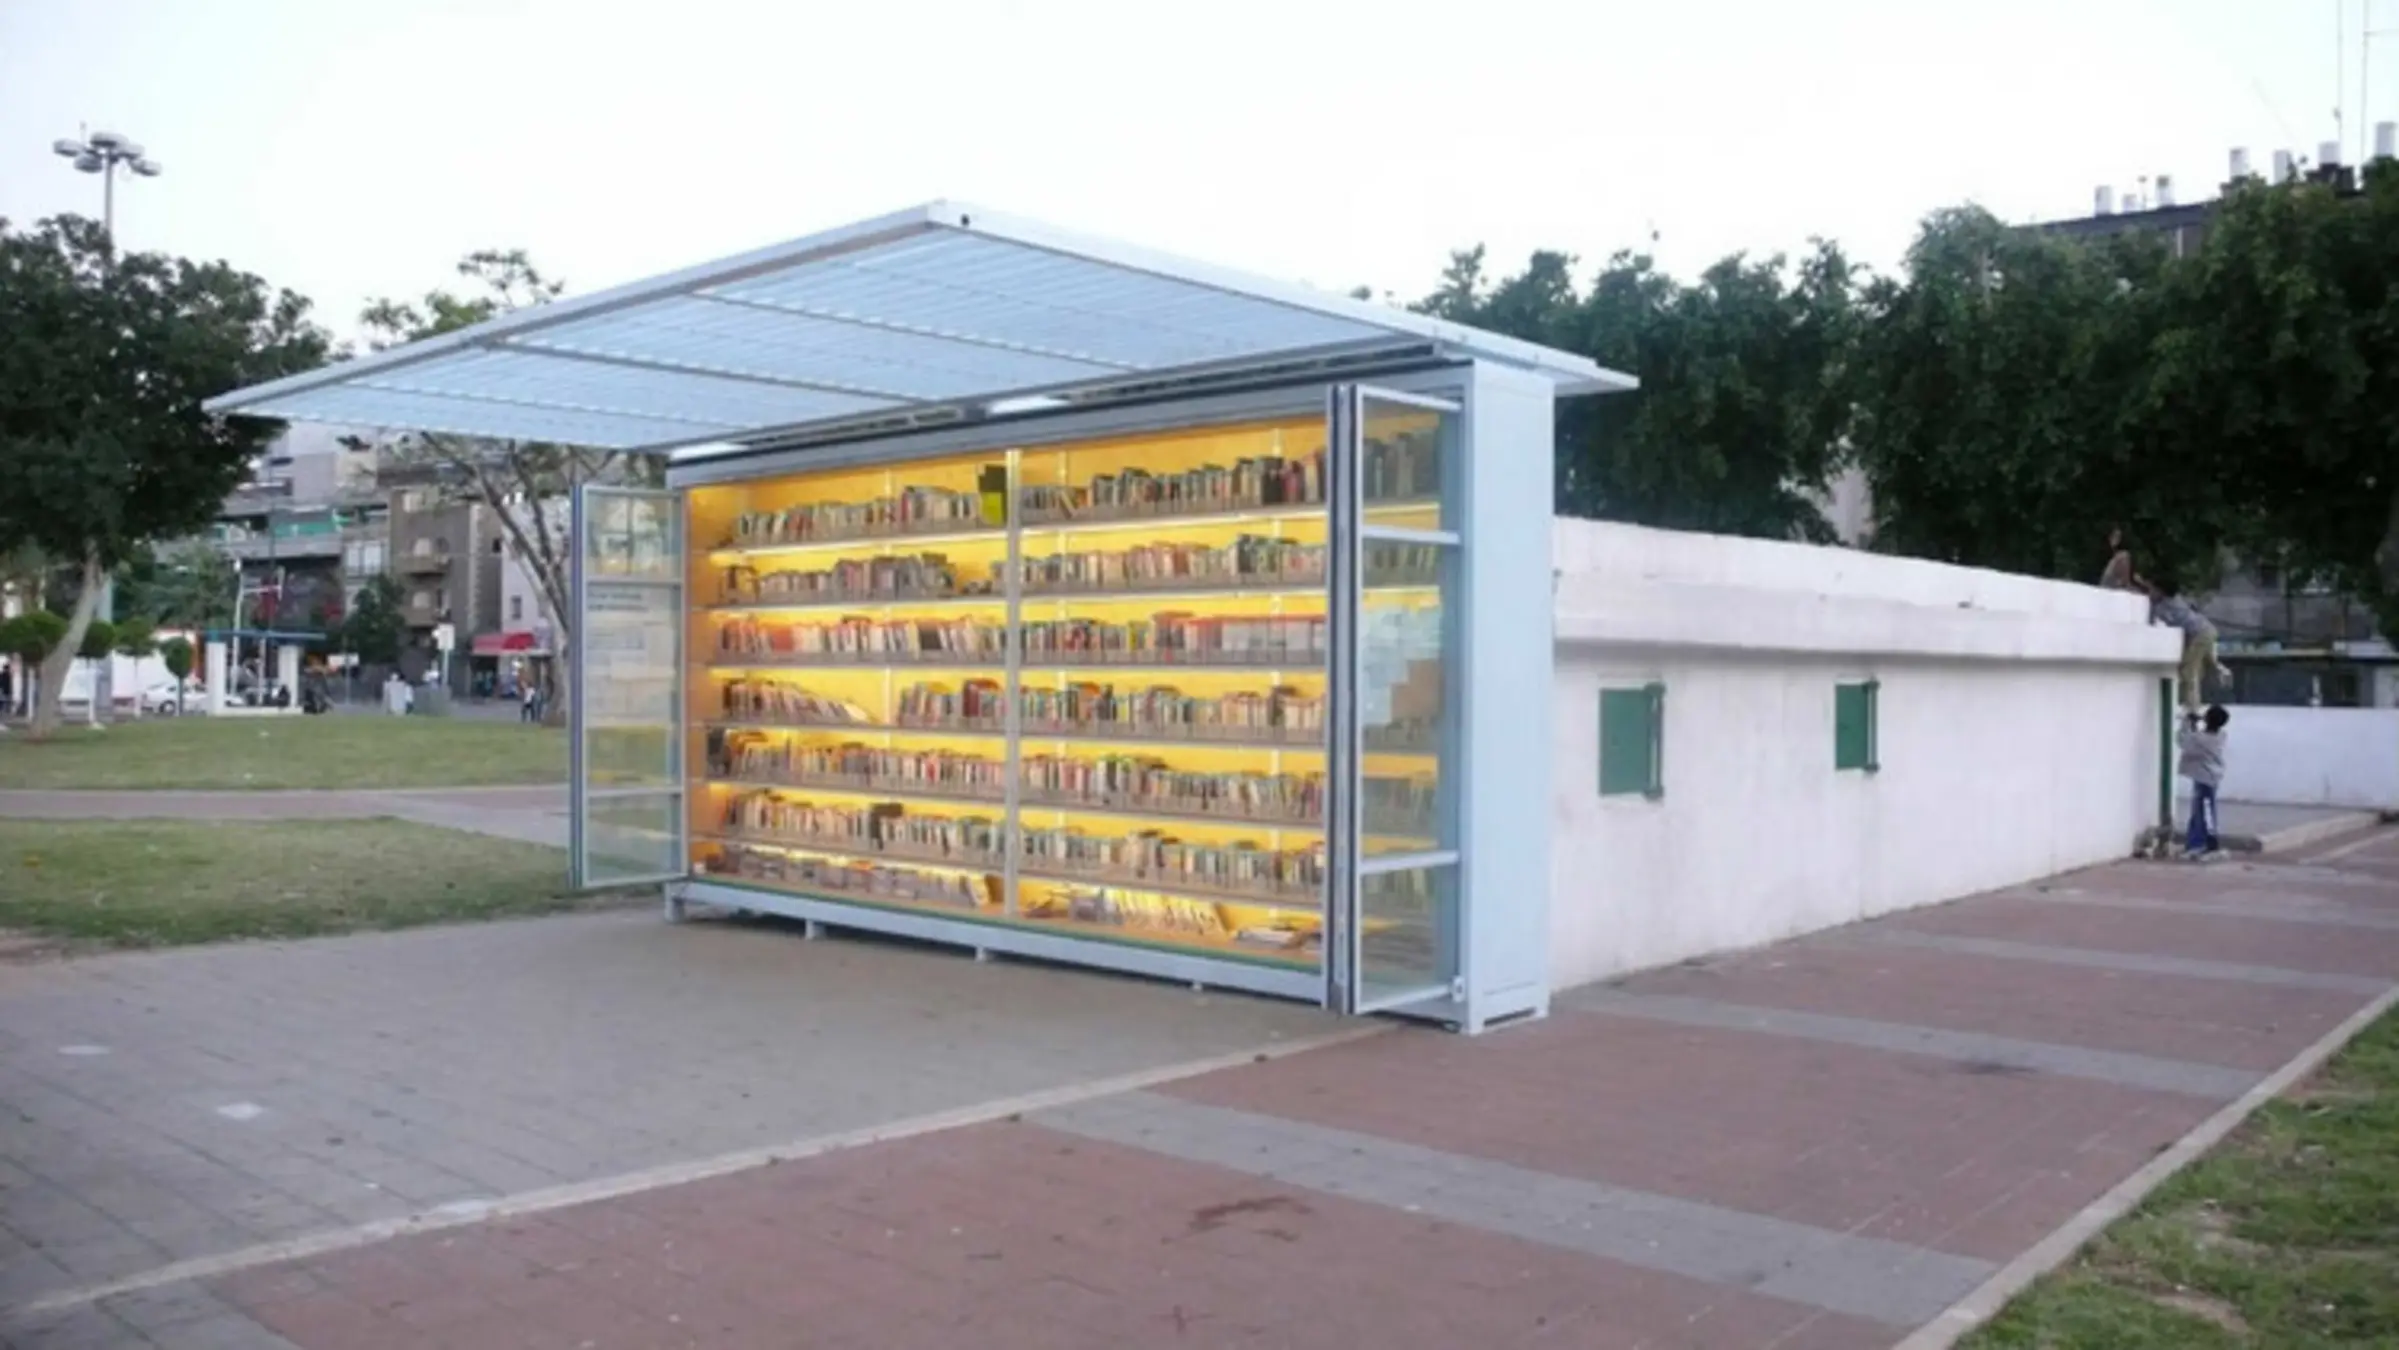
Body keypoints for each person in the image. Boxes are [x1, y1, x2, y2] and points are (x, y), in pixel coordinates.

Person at [2140, 571, 2232, 710]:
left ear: (2161, 591)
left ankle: (2192, 709)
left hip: (2199, 634)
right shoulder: (2174, 599)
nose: (2150, 593)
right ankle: (2221, 670)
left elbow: (2151, 621)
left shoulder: (2164, 605)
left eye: (2153, 589)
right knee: (2203, 664)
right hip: (2207, 629)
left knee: (2188, 671)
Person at [2178, 704, 2230, 860]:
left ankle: (2206, 845)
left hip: (2205, 779)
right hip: (2209, 777)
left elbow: (2183, 740)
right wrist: (2196, 723)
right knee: (2198, 812)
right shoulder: (2221, 735)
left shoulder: (2201, 739)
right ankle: (2195, 843)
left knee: (2204, 813)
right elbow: (2196, 737)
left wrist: (2187, 722)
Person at [2099, 526, 2136, 591]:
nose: (2115, 539)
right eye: (2113, 536)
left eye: (2118, 537)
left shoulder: (2123, 555)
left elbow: (2125, 579)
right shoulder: (2111, 556)